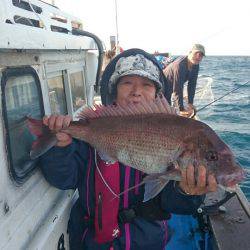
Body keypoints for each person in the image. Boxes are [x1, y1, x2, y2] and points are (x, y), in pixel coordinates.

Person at [39, 48, 217, 250]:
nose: (136, 91)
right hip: (93, 241)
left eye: (147, 84)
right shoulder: (89, 133)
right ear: (114, 90)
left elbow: (174, 204)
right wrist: (61, 148)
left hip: (147, 241)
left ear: (157, 94)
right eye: (127, 83)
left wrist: (188, 192)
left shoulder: (173, 135)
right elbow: (63, 179)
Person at [163, 44, 205, 117]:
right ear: (190, 53)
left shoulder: (196, 65)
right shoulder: (180, 65)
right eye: (196, 53)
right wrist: (181, 109)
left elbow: (192, 84)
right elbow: (178, 89)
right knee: (166, 109)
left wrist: (190, 103)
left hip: (174, 86)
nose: (198, 57)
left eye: (201, 55)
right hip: (163, 85)